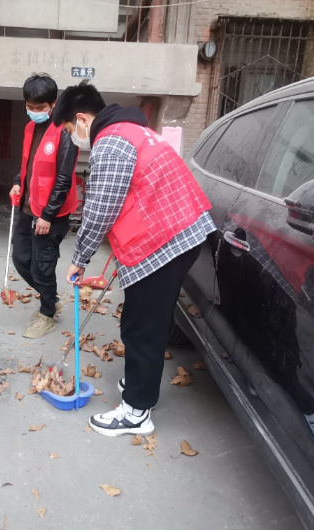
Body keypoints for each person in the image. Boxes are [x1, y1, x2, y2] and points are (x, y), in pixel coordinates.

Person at [52, 82, 216, 437]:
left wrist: (79, 258)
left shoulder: (110, 141)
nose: (72, 138)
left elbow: (101, 208)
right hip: (175, 234)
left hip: (165, 241)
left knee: (142, 326)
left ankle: (137, 411)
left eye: (68, 129)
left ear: (81, 119)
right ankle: (141, 383)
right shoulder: (133, 130)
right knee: (144, 319)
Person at [9, 74, 79, 339]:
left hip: (52, 215)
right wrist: (18, 182)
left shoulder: (65, 131)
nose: (35, 111)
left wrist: (48, 215)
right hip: (28, 209)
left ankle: (47, 314)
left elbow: (63, 178)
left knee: (43, 266)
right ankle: (51, 298)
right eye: (31, 106)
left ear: (53, 104)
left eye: (41, 107)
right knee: (21, 259)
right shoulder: (30, 128)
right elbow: (27, 163)